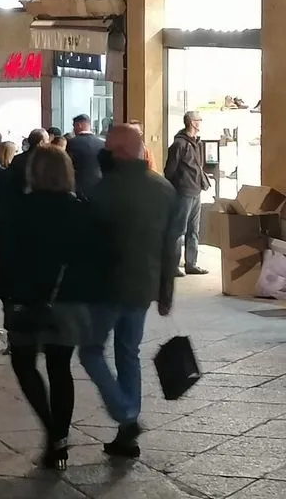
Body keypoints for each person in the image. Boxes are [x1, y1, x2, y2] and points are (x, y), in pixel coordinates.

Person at [0, 145, 107, 470]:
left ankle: (51, 429)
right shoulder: (82, 210)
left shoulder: (16, 210)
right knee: (60, 368)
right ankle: (59, 438)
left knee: (24, 364)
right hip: (67, 301)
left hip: (23, 301)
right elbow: (95, 262)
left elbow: (2, 260)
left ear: (33, 172)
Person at [81, 124, 179, 458]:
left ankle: (125, 412)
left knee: (91, 351)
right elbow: (171, 247)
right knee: (128, 353)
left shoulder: (102, 190)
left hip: (108, 286)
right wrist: (166, 291)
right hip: (143, 286)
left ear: (121, 151)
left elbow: (90, 246)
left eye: (109, 146)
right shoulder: (164, 189)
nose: (104, 151)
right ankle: (127, 434)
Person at [164, 111, 210, 276]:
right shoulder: (180, 144)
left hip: (196, 190)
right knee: (178, 229)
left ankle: (191, 264)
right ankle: (173, 266)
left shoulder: (195, 143)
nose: (200, 123)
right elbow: (170, 170)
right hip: (183, 191)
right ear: (192, 122)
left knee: (194, 229)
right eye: (199, 120)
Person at [65, 114, 104, 200]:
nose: (73, 129)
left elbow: (67, 164)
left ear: (79, 125)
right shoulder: (102, 143)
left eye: (74, 126)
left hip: (79, 185)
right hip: (98, 183)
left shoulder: (71, 143)